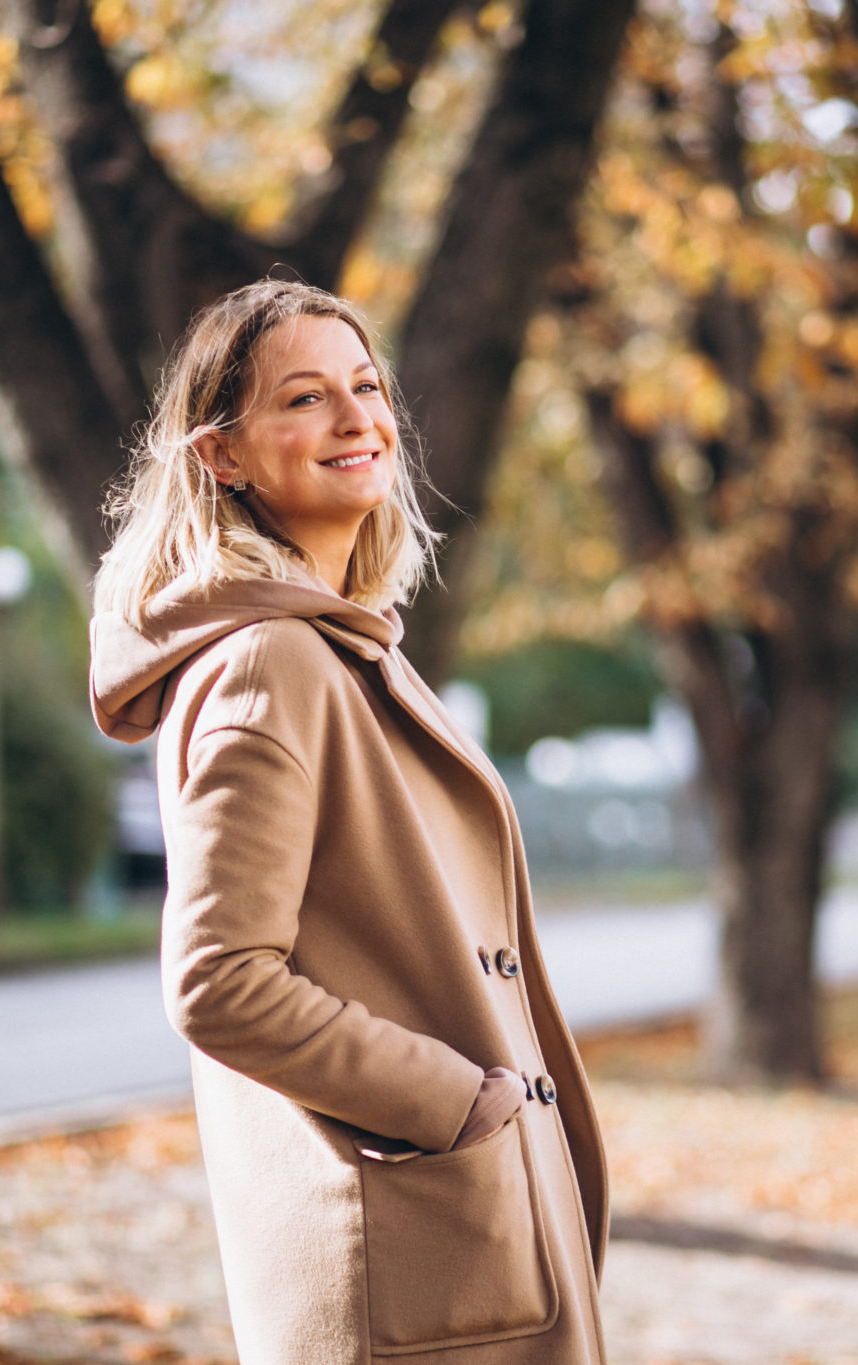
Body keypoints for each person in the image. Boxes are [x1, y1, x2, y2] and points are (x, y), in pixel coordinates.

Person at [88, 278, 608, 1363]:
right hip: (403, 1251)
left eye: (365, 388)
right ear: (220, 456)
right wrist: (455, 1102)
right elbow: (220, 980)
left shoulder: (347, 649)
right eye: (303, 399)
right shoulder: (269, 666)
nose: (355, 419)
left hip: (447, 1236)